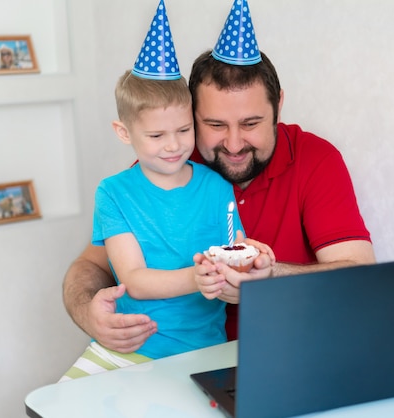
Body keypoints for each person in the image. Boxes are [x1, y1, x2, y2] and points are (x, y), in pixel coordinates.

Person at [62, 0, 375, 350]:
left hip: (296, 348)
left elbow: (360, 275)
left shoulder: (315, 158)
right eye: (214, 125)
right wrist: (88, 313)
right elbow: (92, 265)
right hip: (182, 358)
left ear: (279, 105)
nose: (235, 143)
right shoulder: (170, 164)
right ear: (192, 116)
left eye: (251, 123)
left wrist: (271, 275)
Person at [59, 0, 273, 381]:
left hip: (205, 353)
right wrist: (196, 278)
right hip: (130, 350)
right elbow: (135, 281)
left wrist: (255, 261)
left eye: (184, 130)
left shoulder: (216, 186)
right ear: (124, 132)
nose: (174, 146)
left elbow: (235, 247)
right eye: (157, 135)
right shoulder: (113, 193)